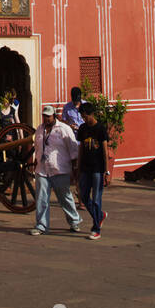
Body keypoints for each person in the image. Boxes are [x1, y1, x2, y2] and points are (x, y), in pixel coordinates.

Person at [29, 104, 82, 236]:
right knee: (41, 198)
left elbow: (73, 148)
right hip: (42, 169)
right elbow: (37, 146)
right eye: (44, 116)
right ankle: (41, 225)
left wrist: (75, 167)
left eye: (48, 116)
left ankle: (74, 221)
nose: (46, 119)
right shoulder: (39, 130)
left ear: (54, 116)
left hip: (60, 169)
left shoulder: (64, 129)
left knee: (65, 197)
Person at [76, 101, 110, 240]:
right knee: (83, 196)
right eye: (82, 116)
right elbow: (81, 149)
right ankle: (99, 216)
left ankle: (96, 228)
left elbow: (105, 151)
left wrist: (106, 171)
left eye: (84, 116)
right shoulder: (82, 129)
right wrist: (78, 168)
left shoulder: (100, 129)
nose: (83, 119)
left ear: (91, 114)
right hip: (85, 168)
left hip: (97, 168)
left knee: (96, 199)